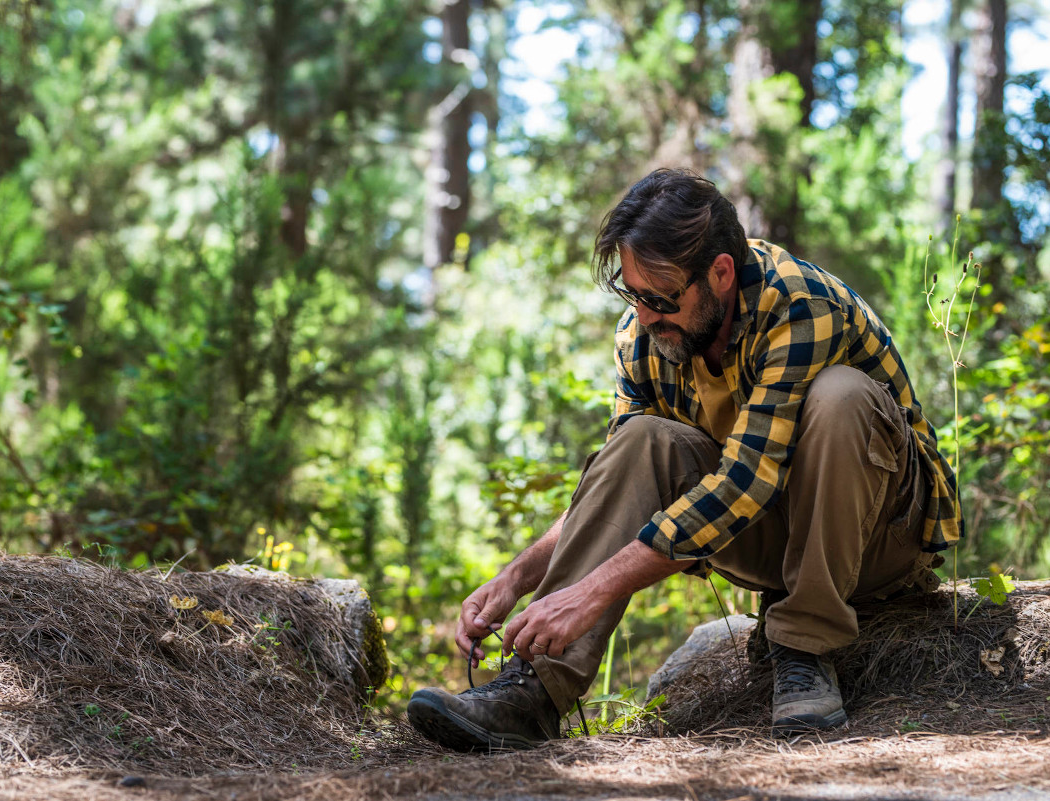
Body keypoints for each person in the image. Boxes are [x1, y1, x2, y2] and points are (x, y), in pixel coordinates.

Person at [407, 169, 962, 751]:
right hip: (770, 537)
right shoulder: (642, 337)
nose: (645, 314)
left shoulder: (801, 305)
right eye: (632, 293)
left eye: (660, 297)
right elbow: (618, 487)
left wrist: (592, 592)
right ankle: (534, 692)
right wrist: (517, 577)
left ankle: (804, 647)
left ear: (720, 273)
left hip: (883, 534)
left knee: (840, 396)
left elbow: (746, 482)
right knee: (641, 438)